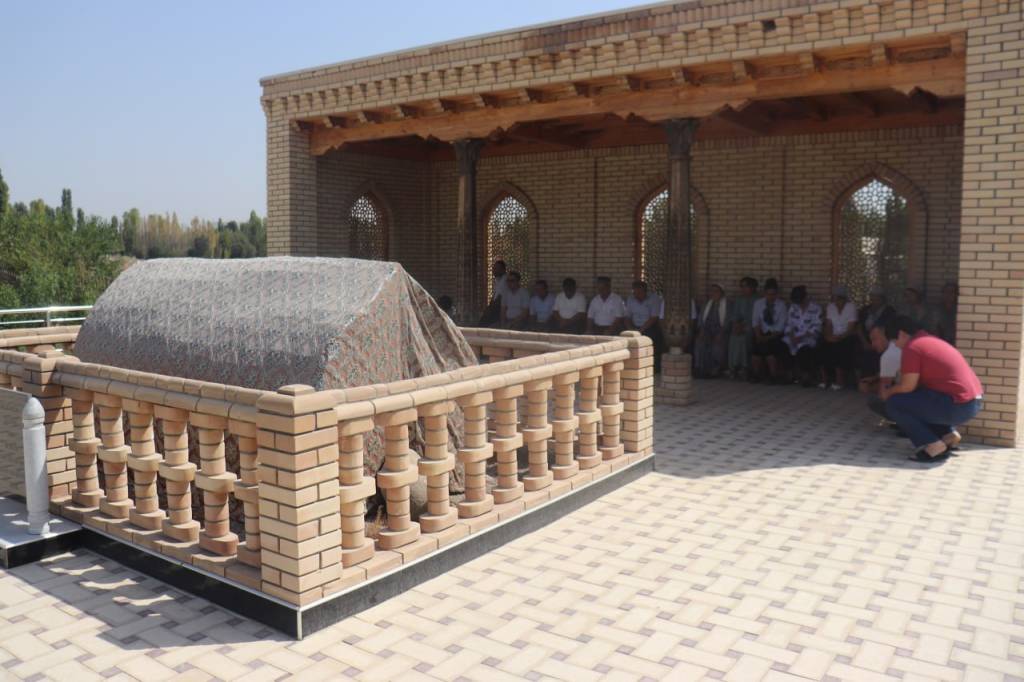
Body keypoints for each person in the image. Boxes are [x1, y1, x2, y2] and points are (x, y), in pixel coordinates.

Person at [882, 315, 983, 463]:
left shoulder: (913, 346)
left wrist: (888, 392)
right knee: (917, 399)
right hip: (972, 404)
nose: (896, 346)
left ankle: (933, 445)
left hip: (956, 406)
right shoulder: (929, 340)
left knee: (894, 403)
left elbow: (907, 386)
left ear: (901, 334)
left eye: (894, 341)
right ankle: (948, 435)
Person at [818, 285, 858, 390]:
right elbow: (828, 324)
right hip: (833, 335)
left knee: (839, 347)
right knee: (822, 345)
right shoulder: (830, 307)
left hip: (846, 336)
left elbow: (851, 328)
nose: (835, 301)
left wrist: (840, 337)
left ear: (843, 299)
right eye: (834, 299)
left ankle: (840, 380)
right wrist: (828, 336)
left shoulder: (851, 307)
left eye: (838, 299)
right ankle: (824, 379)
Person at [859, 324, 901, 421]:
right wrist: (874, 378)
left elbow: (884, 393)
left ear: (885, 335)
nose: (873, 344)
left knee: (873, 401)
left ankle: (900, 420)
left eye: (875, 339)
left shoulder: (889, 355)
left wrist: (868, 387)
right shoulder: (897, 347)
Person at [750, 278, 788, 383]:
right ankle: (756, 374)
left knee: (770, 349)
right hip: (761, 332)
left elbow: (781, 326)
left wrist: (767, 338)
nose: (771, 297)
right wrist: (758, 335)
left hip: (775, 334)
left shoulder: (781, 305)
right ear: (765, 293)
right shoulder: (758, 303)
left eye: (773, 294)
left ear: (777, 294)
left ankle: (773, 375)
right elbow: (755, 321)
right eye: (769, 294)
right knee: (756, 349)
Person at [783, 285, 822, 387]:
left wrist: (801, 337)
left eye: (800, 300)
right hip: (793, 336)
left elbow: (817, 327)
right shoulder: (793, 307)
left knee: (805, 349)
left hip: (807, 337)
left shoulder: (816, 308)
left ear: (805, 297)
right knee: (783, 346)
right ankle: (789, 374)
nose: (798, 303)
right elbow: (789, 324)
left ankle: (806, 376)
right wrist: (792, 336)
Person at [625, 281, 665, 371]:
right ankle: (633, 365)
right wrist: (630, 329)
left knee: (653, 338)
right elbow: (627, 317)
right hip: (635, 326)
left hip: (649, 326)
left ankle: (654, 367)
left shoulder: (654, 299)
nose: (637, 295)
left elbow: (654, 317)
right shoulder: (631, 299)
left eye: (639, 292)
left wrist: (641, 330)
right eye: (635, 292)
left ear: (645, 291)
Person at [858, 287, 896, 377]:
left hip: (882, 339)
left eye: (877, 298)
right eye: (872, 297)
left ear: (882, 298)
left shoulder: (889, 311)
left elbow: (888, 329)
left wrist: (877, 341)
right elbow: (859, 328)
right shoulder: (865, 310)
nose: (874, 300)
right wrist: (865, 342)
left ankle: (878, 377)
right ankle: (864, 378)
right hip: (866, 339)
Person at [694, 284, 729, 378]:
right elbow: (701, 319)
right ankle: (700, 368)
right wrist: (701, 330)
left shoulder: (727, 305)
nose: (713, 293)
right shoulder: (706, 304)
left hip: (721, 331)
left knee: (717, 346)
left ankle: (715, 370)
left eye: (716, 291)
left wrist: (721, 333)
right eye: (712, 291)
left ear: (722, 293)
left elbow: (728, 321)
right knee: (700, 342)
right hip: (706, 330)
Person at [726, 277, 757, 380]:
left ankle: (745, 368)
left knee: (744, 338)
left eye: (746, 286)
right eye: (742, 286)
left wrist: (744, 326)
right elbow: (735, 314)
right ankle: (733, 368)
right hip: (740, 325)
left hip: (753, 327)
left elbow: (756, 317)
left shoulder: (758, 300)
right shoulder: (739, 299)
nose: (743, 289)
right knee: (734, 336)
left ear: (753, 287)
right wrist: (736, 325)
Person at [478, 260, 509, 327]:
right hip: (494, 306)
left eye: (496, 268)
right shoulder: (497, 280)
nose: (494, 270)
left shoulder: (505, 280)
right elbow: (495, 295)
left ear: (503, 270)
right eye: (494, 268)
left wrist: (491, 308)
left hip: (500, 307)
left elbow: (500, 297)